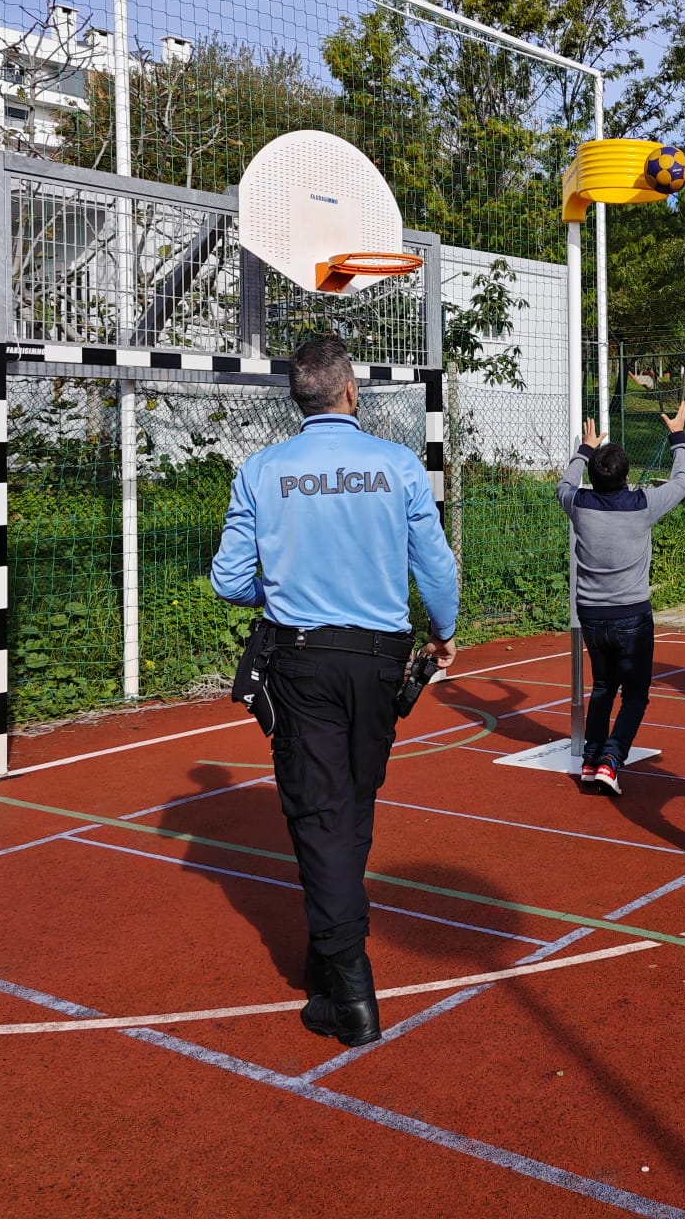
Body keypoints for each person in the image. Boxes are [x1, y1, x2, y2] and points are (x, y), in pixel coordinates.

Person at [211, 335, 460, 1045]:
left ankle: (349, 988)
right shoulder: (398, 464)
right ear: (351, 391)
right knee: (350, 806)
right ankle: (331, 957)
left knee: (320, 815)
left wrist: (283, 583)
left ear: (300, 398)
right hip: (380, 660)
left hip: (305, 660)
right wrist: (443, 633)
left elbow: (230, 581)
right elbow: (434, 567)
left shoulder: (262, 470)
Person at [557, 402, 685, 794]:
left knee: (603, 687)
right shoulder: (642, 505)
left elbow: (564, 484)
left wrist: (584, 448)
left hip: (592, 615)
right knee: (635, 695)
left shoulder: (579, 505)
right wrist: (677, 436)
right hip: (631, 615)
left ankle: (590, 759)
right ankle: (612, 760)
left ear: (596, 476)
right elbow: (683, 482)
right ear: (626, 476)